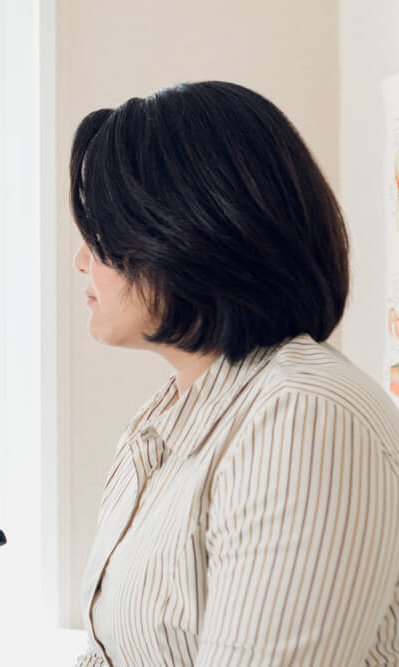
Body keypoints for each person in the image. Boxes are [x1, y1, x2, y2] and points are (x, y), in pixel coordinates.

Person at [69, 81, 399, 665]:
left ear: (185, 234)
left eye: (101, 230)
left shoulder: (305, 418)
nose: (81, 259)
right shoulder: (164, 420)